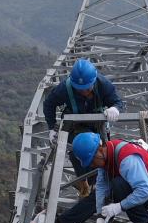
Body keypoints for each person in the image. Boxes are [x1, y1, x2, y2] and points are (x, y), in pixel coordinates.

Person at [58, 132, 148, 223]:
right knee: (110, 187)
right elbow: (101, 188)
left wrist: (119, 207)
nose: (92, 165)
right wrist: (100, 216)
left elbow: (145, 190)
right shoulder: (107, 154)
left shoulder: (127, 159)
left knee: (118, 184)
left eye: (92, 160)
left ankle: (145, 222)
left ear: (99, 150)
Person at [42, 59, 123, 196]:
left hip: (97, 125)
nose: (84, 92)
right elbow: (49, 104)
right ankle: (84, 183)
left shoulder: (103, 85)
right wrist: (51, 127)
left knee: (100, 152)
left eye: (87, 88)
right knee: (78, 151)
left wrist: (115, 108)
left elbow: (117, 101)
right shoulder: (65, 88)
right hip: (75, 126)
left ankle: (96, 183)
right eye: (79, 89)